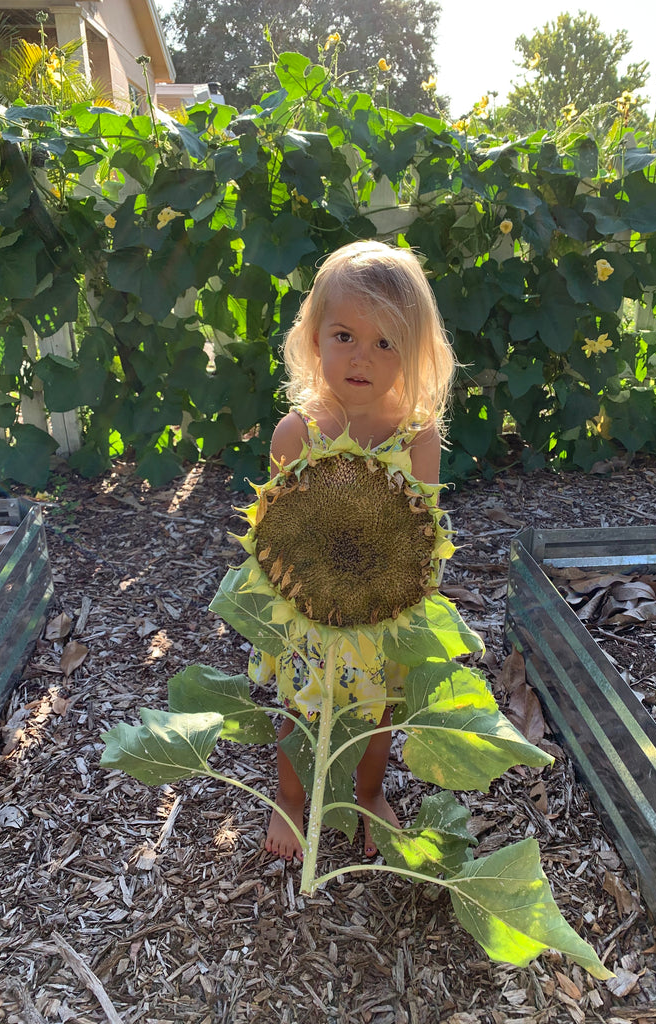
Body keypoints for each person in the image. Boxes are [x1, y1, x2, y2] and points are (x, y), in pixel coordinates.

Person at [251, 239, 456, 862]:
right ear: (315, 337)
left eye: (385, 342)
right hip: (312, 606)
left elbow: (422, 524)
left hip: (383, 605)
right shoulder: (298, 432)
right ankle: (290, 799)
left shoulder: (418, 435)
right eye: (345, 335)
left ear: (415, 354)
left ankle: (368, 795)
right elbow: (273, 530)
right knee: (301, 709)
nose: (361, 356)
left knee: (378, 717)